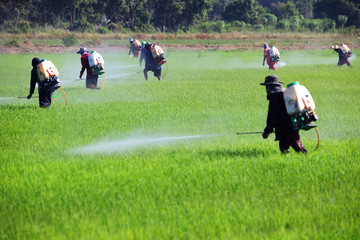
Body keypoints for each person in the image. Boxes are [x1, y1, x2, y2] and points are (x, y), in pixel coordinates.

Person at [261, 75, 307, 154]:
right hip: (290, 124)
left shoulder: (275, 96)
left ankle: (305, 156)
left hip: (287, 126)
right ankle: (288, 160)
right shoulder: (284, 92)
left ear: (268, 86)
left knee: (298, 147)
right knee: (283, 148)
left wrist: (267, 130)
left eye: (266, 86)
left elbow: (272, 115)